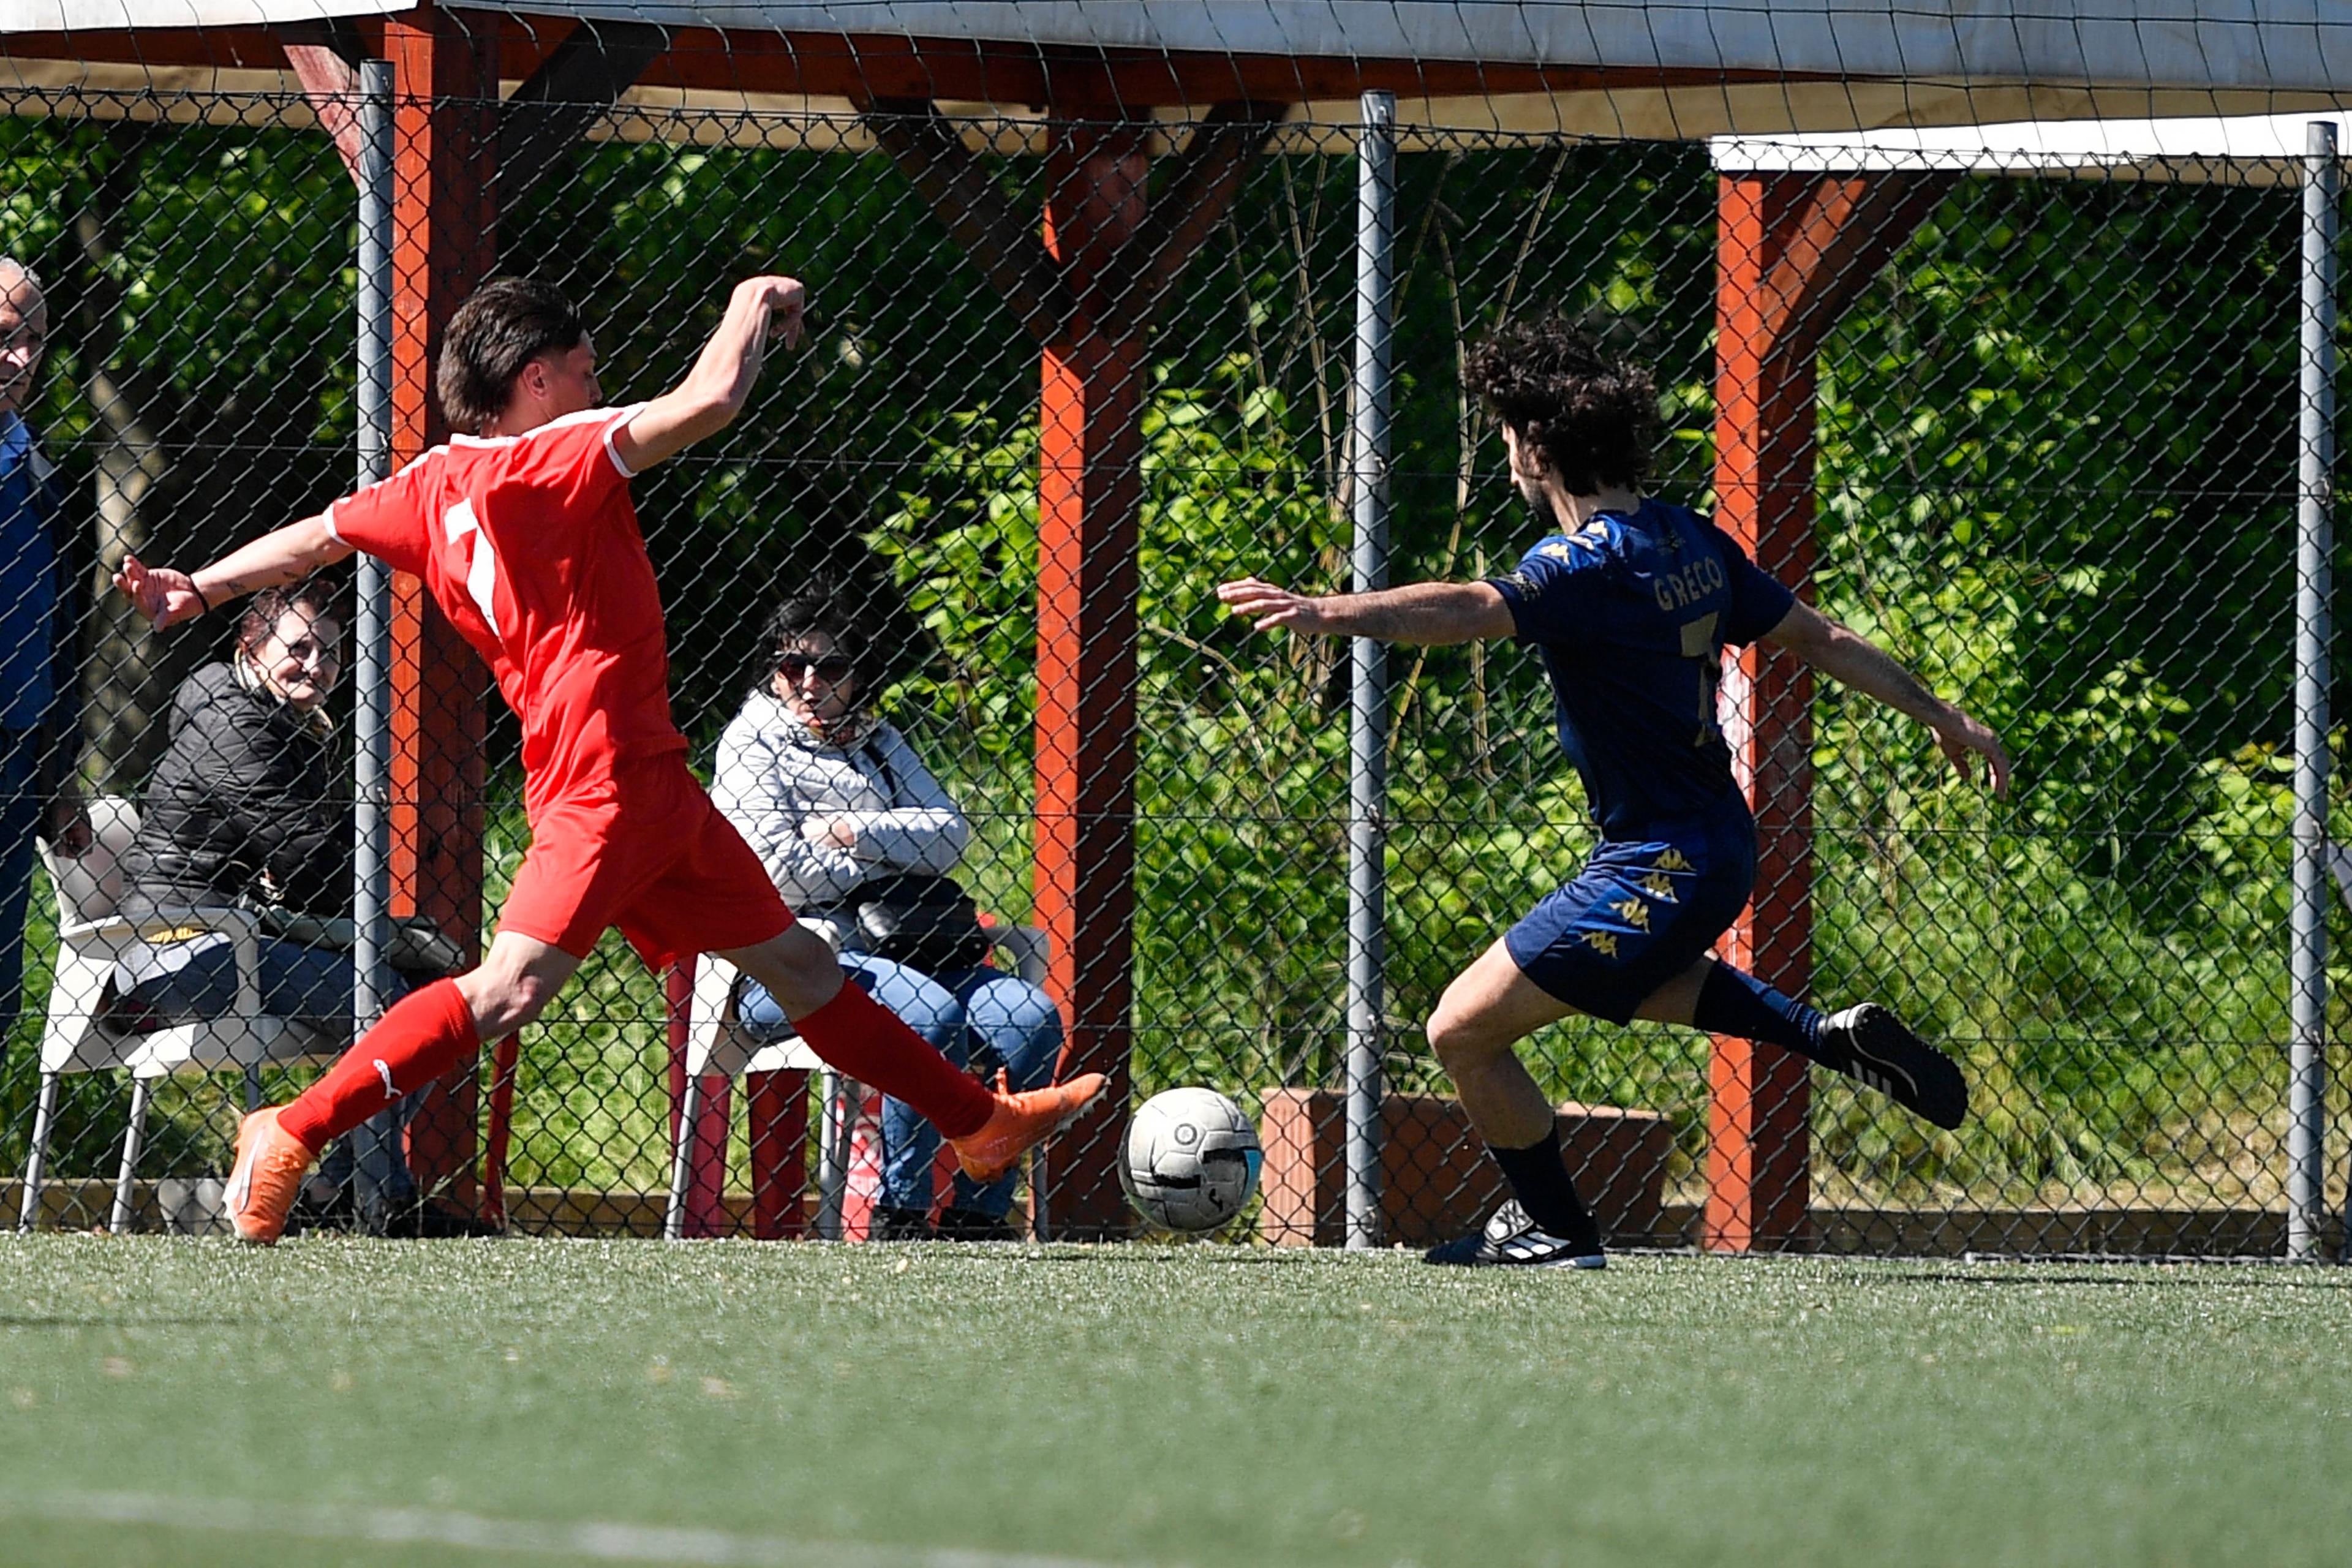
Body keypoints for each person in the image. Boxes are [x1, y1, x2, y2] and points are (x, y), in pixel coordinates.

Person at [114, 273, 1104, 1245]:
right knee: (507, 990)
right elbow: (710, 401)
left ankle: (978, 1125)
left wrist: (194, 588)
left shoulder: (424, 489)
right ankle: (290, 1128)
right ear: (536, 380)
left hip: (653, 786)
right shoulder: (557, 454)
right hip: (603, 788)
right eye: (586, 370)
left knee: (803, 965)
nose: (598, 387)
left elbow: (315, 539)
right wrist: (751, 300)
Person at [1218, 318, 2011, 1270]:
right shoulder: (1691, 538)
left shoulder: (1584, 564)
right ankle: (1830, 1037)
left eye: (1510, 439)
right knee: (1629, 977)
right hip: (1719, 847)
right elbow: (1819, 635)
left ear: (1539, 451)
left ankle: (1555, 1228)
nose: (1506, 456)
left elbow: (1474, 606)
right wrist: (1941, 712)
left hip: (1657, 862)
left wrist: (1326, 610)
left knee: (1460, 1032)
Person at [112, 582, 477, 1235]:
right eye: (300, 647)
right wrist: (376, 929)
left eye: (330, 653)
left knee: (431, 999)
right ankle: (366, 1194)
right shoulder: (234, 721)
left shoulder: (284, 720)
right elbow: (309, 855)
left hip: (238, 940)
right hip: (176, 949)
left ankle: (338, 1189)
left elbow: (308, 868)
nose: (316, 665)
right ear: (250, 647)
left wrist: (378, 930)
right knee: (398, 1006)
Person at [713, 575, 1065, 1242]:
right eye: (793, 665)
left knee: (1030, 1018)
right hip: (796, 958)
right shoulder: (750, 745)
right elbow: (778, 873)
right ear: (774, 671)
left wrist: (857, 834)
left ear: (858, 673)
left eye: (831, 666)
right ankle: (900, 1216)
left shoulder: (879, 740)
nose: (810, 682)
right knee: (926, 1016)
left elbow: (952, 834)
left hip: (909, 946)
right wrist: (895, 853)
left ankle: (976, 1216)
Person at [0, 258, 89, 1040]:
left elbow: (68, 639)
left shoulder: (47, 480)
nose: (22, 360)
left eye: (34, 340)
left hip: (15, 768)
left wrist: (59, 777)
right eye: (4, 338)